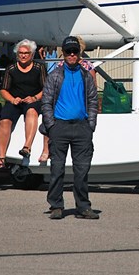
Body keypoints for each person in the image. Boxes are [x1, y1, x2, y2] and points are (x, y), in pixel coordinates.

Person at [41, 36, 100, 220]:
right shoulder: (55, 75)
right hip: (60, 127)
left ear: (79, 54)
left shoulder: (86, 75)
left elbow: (92, 100)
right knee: (57, 169)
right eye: (68, 52)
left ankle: (83, 206)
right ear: (64, 54)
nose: (72, 55)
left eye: (75, 52)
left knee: (82, 170)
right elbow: (46, 102)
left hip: (82, 128)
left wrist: (91, 124)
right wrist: (51, 125)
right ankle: (56, 205)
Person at [0, 39, 46, 170]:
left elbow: (46, 88)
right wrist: (12, 99)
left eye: (26, 53)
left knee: (31, 112)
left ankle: (27, 147)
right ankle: (1, 158)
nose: (23, 55)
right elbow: (3, 90)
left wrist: (34, 98)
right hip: (15, 101)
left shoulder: (39, 68)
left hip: (33, 100)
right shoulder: (11, 69)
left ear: (32, 54)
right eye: (20, 53)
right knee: (4, 120)